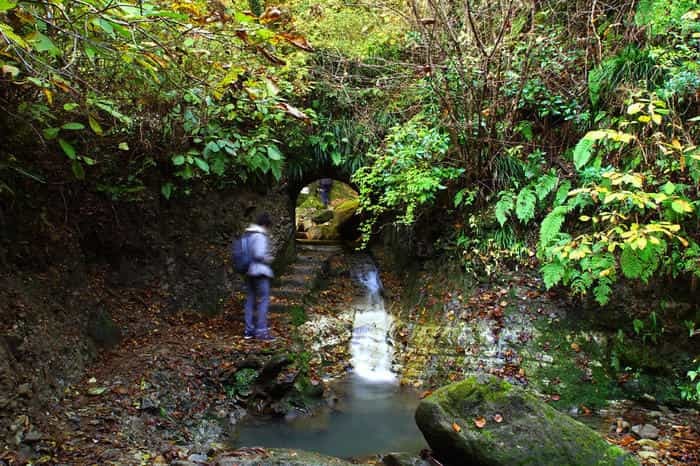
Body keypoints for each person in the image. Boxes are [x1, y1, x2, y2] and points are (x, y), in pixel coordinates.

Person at [243, 212, 275, 341]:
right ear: (265, 225)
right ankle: (261, 331)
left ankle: (248, 331)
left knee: (250, 300)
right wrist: (268, 258)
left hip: (249, 271)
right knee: (263, 300)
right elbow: (259, 254)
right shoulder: (260, 235)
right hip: (260, 272)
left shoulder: (247, 235)